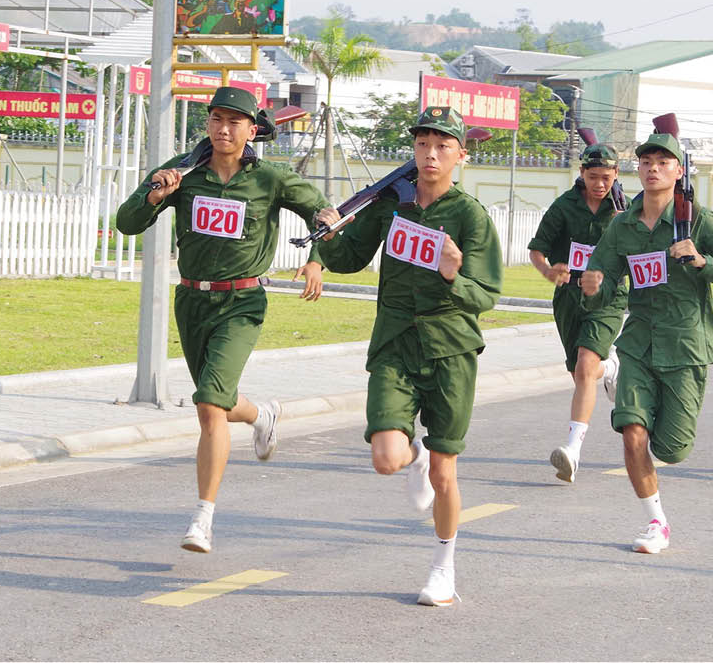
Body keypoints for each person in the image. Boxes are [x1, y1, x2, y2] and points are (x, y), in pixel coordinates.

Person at [115, 87, 334, 553]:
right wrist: (156, 197)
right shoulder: (182, 173)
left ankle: (202, 518)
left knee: (210, 406)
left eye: (234, 121)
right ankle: (262, 415)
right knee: (214, 400)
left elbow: (326, 215)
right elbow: (126, 223)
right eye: (216, 119)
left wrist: (317, 259)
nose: (223, 128)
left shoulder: (271, 179)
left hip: (243, 303)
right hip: (192, 302)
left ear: (253, 130)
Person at [315, 106, 502, 606]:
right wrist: (330, 233)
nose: (431, 154)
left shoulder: (469, 216)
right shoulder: (390, 204)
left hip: (449, 351)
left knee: (446, 472)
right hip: (396, 343)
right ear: (413, 151)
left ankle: (443, 567)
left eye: (443, 146)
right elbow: (350, 258)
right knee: (386, 458)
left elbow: (486, 295)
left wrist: (451, 274)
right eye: (423, 145)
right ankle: (411, 456)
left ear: (461, 155)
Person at [580, 125, 713, 554]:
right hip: (637, 343)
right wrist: (592, 287)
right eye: (646, 162)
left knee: (672, 450)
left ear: (678, 171)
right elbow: (601, 280)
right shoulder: (622, 227)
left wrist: (701, 260)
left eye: (663, 163)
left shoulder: (697, 220)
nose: (653, 169)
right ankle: (656, 522)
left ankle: (632, 402)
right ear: (637, 169)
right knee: (633, 433)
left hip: (686, 344)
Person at [527, 144, 626, 484]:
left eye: (607, 178)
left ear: (616, 177)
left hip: (609, 297)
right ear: (582, 174)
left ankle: (572, 451)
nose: (600, 184)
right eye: (594, 177)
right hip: (569, 298)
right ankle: (611, 367)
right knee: (581, 373)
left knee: (585, 365)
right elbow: (538, 249)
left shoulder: (623, 210)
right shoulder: (564, 207)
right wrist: (548, 271)